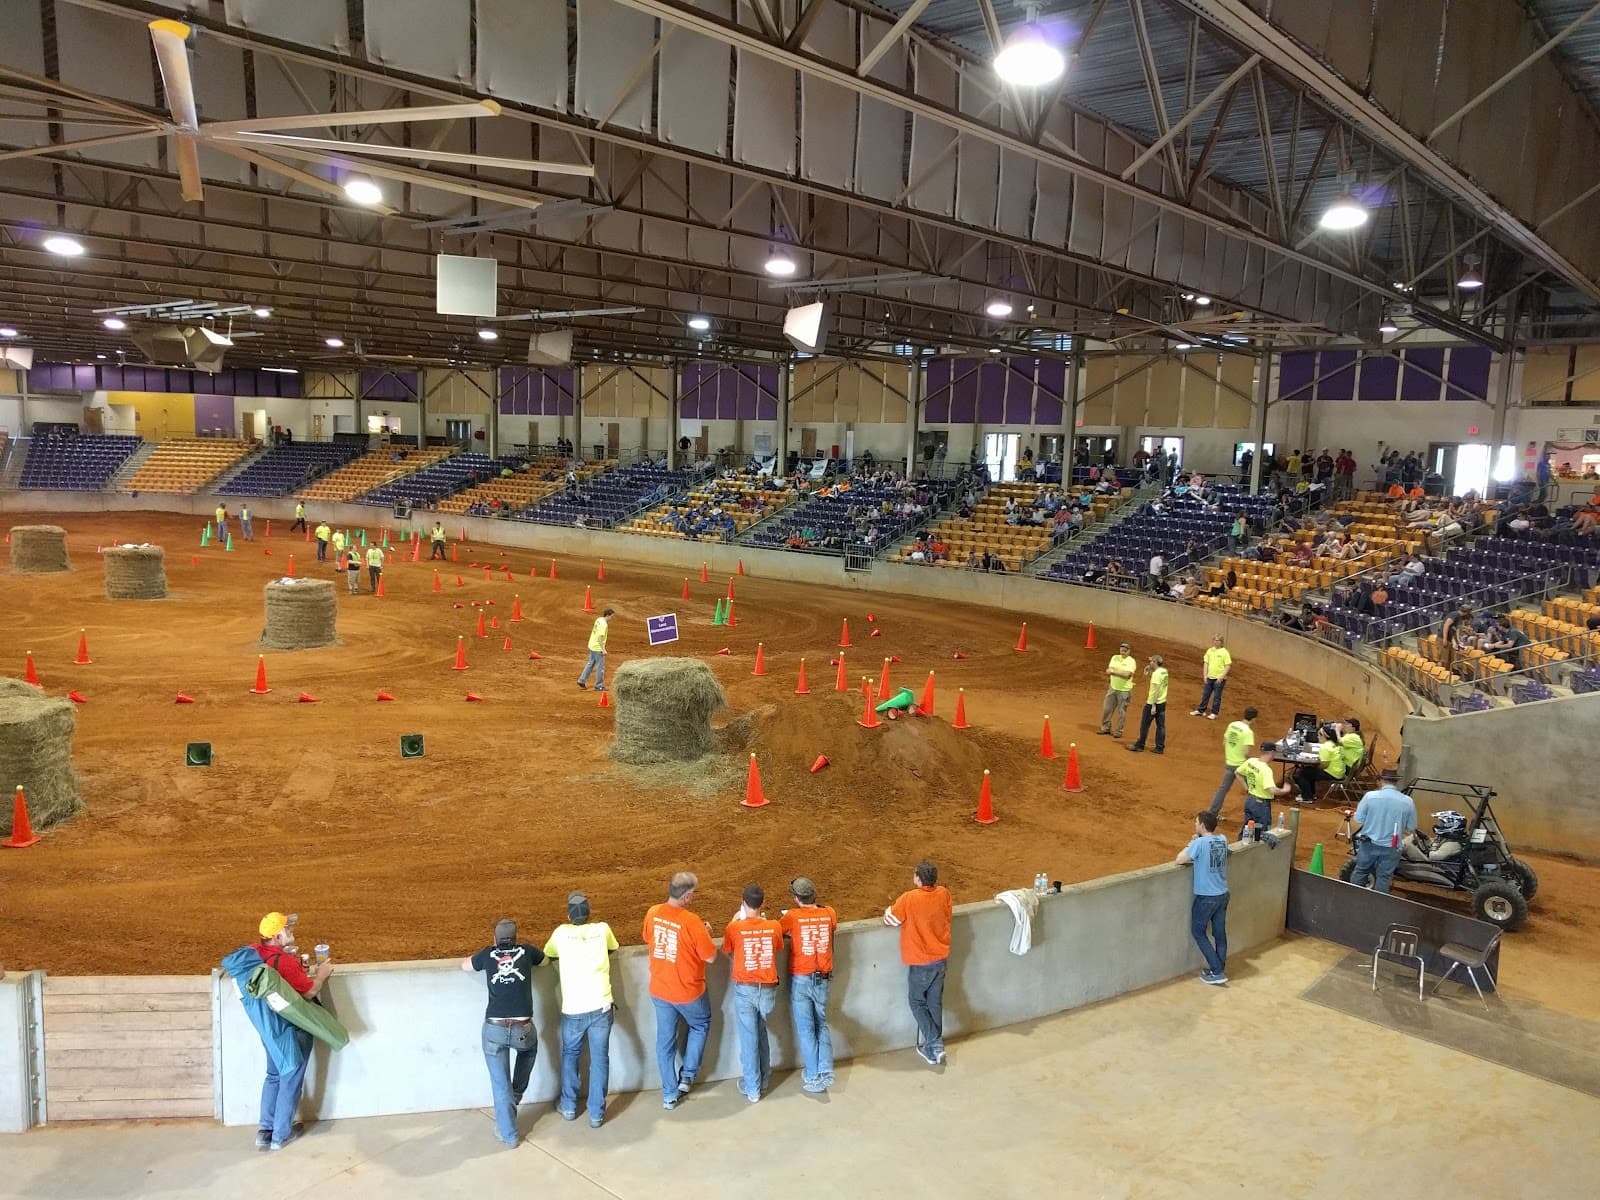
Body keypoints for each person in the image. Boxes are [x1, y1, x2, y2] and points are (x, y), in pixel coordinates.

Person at [221, 912, 333, 1152]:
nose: (291, 931)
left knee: (273, 1074)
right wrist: (322, 974)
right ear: (277, 935)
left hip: (268, 1028)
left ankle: (265, 1130)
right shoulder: (284, 962)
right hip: (290, 1028)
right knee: (291, 1077)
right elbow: (309, 992)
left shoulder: (255, 954)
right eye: (287, 929)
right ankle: (281, 1134)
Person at [460, 919, 545, 1148]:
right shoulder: (526, 951)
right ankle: (514, 1096)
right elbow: (545, 961)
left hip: (494, 1027)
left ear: (495, 939)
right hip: (523, 1027)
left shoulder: (489, 954)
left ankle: (509, 1135)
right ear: (515, 938)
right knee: (529, 1049)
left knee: (499, 1084)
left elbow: (465, 965)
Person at [543, 891, 618, 1128]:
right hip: (601, 1006)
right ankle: (596, 1113)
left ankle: (568, 1106)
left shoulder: (561, 933)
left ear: (568, 915)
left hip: (573, 1008)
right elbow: (613, 948)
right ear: (589, 913)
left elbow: (549, 954)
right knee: (600, 1059)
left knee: (570, 1055)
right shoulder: (603, 929)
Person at [643, 871, 718, 1109]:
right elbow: (711, 957)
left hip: (660, 989)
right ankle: (687, 1076)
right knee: (700, 1024)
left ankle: (669, 1093)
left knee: (665, 1041)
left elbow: (648, 937)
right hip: (688, 991)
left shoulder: (653, 913)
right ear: (686, 897)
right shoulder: (692, 921)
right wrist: (705, 932)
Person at [883, 860, 953, 1067]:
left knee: (916, 1001)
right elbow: (947, 916)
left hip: (921, 961)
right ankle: (932, 1050)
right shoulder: (944, 894)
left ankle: (935, 1043)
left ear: (918, 878)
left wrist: (889, 909)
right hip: (940, 959)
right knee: (934, 1003)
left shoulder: (909, 898)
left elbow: (890, 920)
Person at [722, 884, 783, 1103]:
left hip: (746, 990)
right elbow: (777, 946)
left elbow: (727, 949)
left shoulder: (734, 928)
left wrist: (735, 921)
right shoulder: (774, 925)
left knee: (749, 1039)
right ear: (763, 903)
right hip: (767, 991)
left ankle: (753, 1087)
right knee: (761, 1031)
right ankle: (764, 1078)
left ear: (743, 902)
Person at [780, 876, 837, 1093]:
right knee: (821, 1023)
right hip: (823, 978)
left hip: (802, 978)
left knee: (806, 1029)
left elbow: (780, 929)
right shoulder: (829, 912)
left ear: (796, 898)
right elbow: (831, 922)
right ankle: (825, 1069)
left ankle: (813, 1075)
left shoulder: (792, 917)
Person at [1175, 811, 1231, 985]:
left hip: (1207, 896)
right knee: (1220, 935)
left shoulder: (1199, 843)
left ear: (1202, 825)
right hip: (1223, 894)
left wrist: (1191, 842)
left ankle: (1217, 971)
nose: (1195, 824)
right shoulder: (1222, 839)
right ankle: (1218, 968)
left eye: (1196, 822)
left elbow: (1180, 860)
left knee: (1198, 932)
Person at [1348, 768, 1418, 894]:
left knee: (1361, 871)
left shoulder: (1370, 797)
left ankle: (1353, 898)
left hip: (1369, 843)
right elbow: (1411, 826)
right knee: (1384, 877)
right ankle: (1379, 905)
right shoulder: (1408, 801)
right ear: (1396, 782)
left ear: (1381, 781)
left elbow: (1358, 818)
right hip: (1392, 845)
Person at [1207, 704, 1258, 815]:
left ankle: (1212, 813)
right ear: (1254, 719)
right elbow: (1246, 753)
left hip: (1229, 763)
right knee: (1254, 789)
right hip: (1242, 766)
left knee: (1222, 789)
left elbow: (1224, 742)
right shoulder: (1248, 732)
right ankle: (1256, 815)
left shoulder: (1232, 725)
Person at [1232, 750, 1292, 835]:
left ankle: (1239, 847)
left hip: (1250, 800)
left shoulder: (1251, 761)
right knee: (1261, 834)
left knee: (1246, 830)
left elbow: (1237, 773)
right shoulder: (1266, 770)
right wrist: (1284, 790)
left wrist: (1247, 788)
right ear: (1271, 753)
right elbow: (1272, 790)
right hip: (1261, 805)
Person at [1292, 722, 1350, 805]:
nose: (1317, 736)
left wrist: (1314, 765)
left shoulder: (1326, 747)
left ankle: (1307, 797)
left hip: (1332, 773)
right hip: (1339, 772)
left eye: (1319, 734)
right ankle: (1311, 794)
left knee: (1301, 774)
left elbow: (1324, 765)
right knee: (1308, 772)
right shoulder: (1335, 744)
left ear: (1325, 736)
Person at [1126, 654, 1168, 754]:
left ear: (1155, 663)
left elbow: (1157, 689)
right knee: (1161, 726)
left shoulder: (1156, 675)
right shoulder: (1164, 671)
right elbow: (1158, 675)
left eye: (1151, 661)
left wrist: (1153, 705)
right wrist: (1149, 669)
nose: (1150, 663)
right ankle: (1159, 747)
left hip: (1153, 703)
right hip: (1162, 702)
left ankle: (1140, 745)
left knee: (1144, 725)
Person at [1097, 641, 1137, 738]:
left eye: (1125, 650)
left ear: (1129, 651)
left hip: (1124, 691)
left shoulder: (1131, 661)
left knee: (1121, 712)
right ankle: (1105, 728)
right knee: (1107, 708)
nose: (1123, 651)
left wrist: (1114, 671)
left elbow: (1127, 675)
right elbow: (1108, 671)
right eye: (1122, 649)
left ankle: (1118, 731)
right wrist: (1119, 672)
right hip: (1112, 688)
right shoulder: (1114, 657)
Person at [1192, 634, 1232, 719]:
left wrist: (1221, 677)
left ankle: (1214, 713)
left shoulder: (1225, 652)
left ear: (1221, 642)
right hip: (1209, 677)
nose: (1215, 642)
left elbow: (1228, 665)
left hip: (1219, 679)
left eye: (1217, 640)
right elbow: (1206, 663)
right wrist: (1205, 675)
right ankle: (1201, 710)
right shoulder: (1210, 651)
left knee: (1217, 697)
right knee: (1205, 695)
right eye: (1214, 640)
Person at [577, 606, 615, 692]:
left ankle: (581, 680)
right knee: (600, 667)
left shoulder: (599, 619)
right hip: (598, 648)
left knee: (590, 663)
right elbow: (600, 638)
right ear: (608, 615)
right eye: (612, 616)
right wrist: (603, 649)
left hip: (591, 645)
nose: (612, 618)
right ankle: (599, 686)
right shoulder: (604, 625)